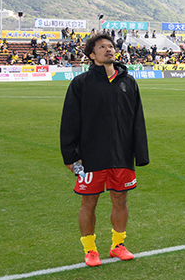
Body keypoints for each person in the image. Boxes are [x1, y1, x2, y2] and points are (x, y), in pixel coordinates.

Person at [60, 32, 149, 267]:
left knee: (120, 199)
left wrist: (140, 153)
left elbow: (137, 119)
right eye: (102, 47)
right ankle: (90, 250)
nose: (109, 49)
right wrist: (70, 155)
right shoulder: (81, 83)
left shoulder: (128, 82)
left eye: (110, 46)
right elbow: (69, 121)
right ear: (91, 55)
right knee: (89, 201)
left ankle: (118, 245)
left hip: (122, 154)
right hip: (90, 155)